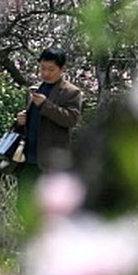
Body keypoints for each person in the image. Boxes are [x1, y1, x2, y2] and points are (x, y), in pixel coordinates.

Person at [11, 48, 86, 187]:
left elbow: (72, 119)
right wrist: (20, 121)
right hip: (27, 159)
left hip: (52, 163)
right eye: (42, 68)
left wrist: (46, 105)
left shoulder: (71, 92)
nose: (45, 73)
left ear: (62, 69)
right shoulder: (36, 89)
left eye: (51, 69)